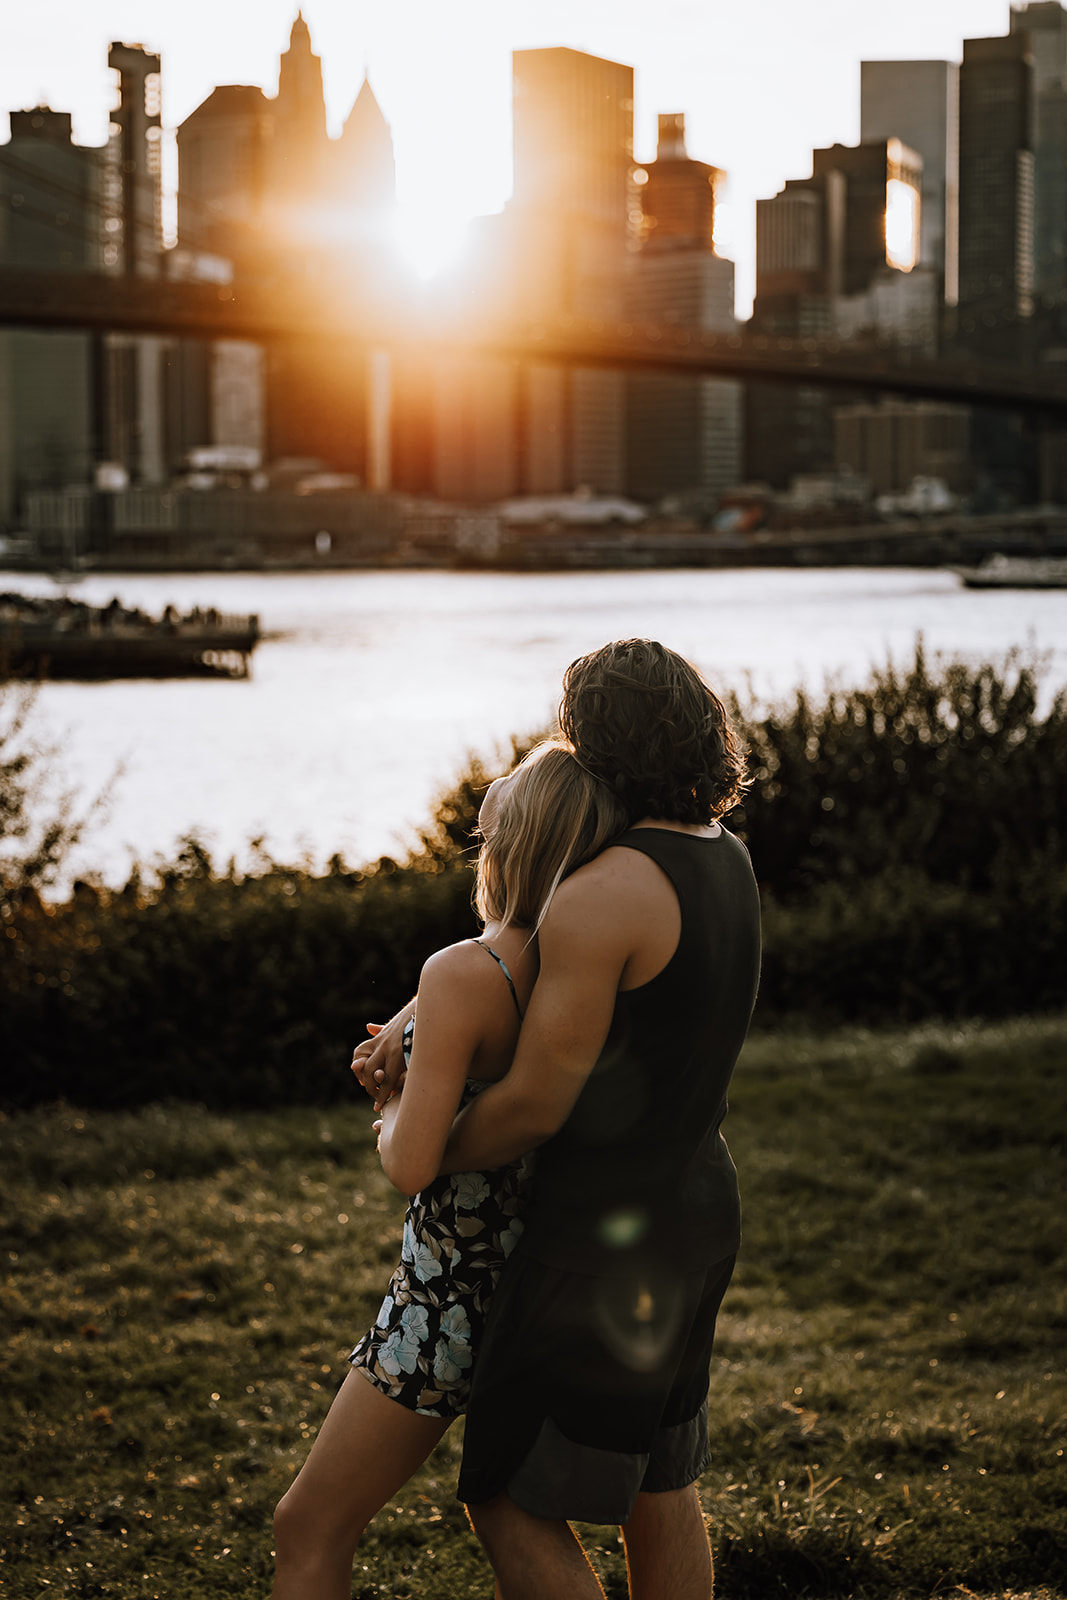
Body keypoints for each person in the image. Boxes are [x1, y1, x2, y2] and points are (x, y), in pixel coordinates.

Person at [356, 638, 761, 1600]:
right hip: (699, 1213)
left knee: (505, 1494)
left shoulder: (602, 891)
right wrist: (420, 1020)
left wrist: (424, 1144)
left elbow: (537, 1102)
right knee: (661, 1485)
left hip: (596, 1242)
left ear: (597, 739)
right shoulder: (727, 859)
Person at [271, 742, 628, 1600]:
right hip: (540, 1287)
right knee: (516, 1523)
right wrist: (410, 1019)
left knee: (307, 1525)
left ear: (512, 850)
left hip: (442, 1304)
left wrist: (389, 1103)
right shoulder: (581, 967)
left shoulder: (462, 974)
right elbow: (480, 968)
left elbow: (411, 1164)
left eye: (489, 830)